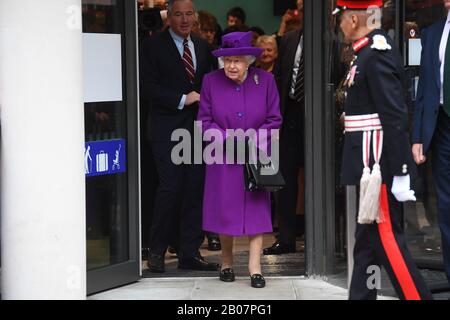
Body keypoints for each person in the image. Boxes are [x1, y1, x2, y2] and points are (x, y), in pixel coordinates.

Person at [334, 0, 432, 300]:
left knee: (389, 242)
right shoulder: (365, 52)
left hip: (378, 165)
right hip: (369, 162)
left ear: (352, 19)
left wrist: (402, 171)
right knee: (366, 245)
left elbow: (394, 116)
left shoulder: (375, 54)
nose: (338, 25)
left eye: (339, 18)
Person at [197, 31, 282, 288]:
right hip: (223, 157)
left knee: (257, 211)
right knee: (226, 211)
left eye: (237, 60)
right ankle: (226, 262)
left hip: (256, 157)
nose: (231, 66)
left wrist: (253, 142)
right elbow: (204, 121)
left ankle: (255, 267)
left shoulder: (265, 80)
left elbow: (274, 119)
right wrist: (228, 141)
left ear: (248, 60)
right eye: (227, 60)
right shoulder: (210, 81)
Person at [139, 0, 218, 273]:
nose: (184, 20)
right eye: (178, 15)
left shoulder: (202, 46)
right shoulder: (151, 46)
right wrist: (183, 98)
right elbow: (147, 87)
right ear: (168, 17)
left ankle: (189, 252)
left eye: (188, 15)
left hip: (197, 129)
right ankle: (157, 251)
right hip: (165, 129)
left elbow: (211, 83)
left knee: (195, 189)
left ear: (194, 17)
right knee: (170, 188)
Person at [412, 0, 450, 286]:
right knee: (446, 204)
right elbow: (424, 87)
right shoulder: (433, 32)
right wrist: (417, 137)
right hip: (441, 127)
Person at [264, 4, 305, 256]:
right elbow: (278, 79)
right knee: (285, 182)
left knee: (317, 181)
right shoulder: (289, 39)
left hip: (316, 122)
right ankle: (286, 238)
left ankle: (319, 238)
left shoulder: (334, 41)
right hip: (288, 120)